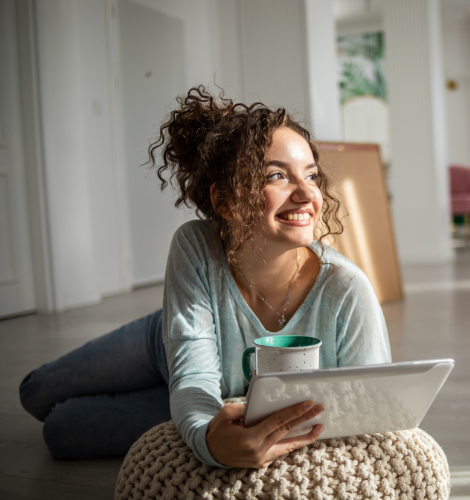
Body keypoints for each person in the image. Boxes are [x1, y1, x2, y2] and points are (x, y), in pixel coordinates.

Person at [19, 86, 391, 468]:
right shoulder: (195, 246)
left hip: (224, 394)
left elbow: (372, 410)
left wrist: (204, 425)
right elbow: (194, 372)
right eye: (277, 176)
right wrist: (207, 442)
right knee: (35, 392)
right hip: (172, 338)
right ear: (225, 201)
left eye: (311, 175)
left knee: (60, 430)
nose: (305, 194)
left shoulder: (347, 289)